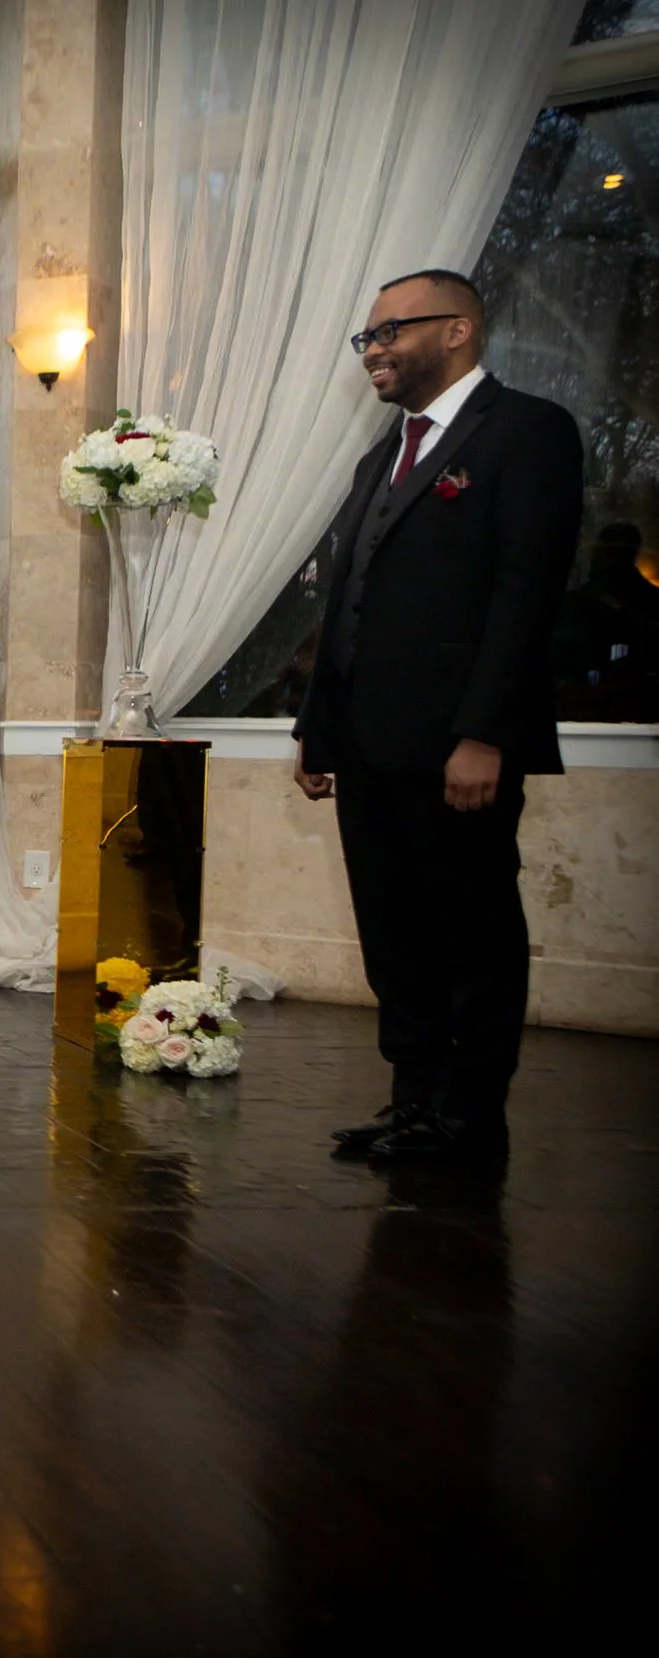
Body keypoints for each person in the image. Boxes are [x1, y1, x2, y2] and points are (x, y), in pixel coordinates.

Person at [294, 270, 584, 1163]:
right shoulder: (381, 455)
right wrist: (317, 727)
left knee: (472, 932)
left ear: (457, 330)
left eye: (391, 331)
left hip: (459, 746)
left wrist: (483, 733)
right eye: (368, 338)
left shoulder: (528, 431)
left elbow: (525, 596)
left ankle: (470, 1117)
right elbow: (348, 599)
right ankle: (414, 1101)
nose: (374, 350)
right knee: (395, 934)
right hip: (366, 744)